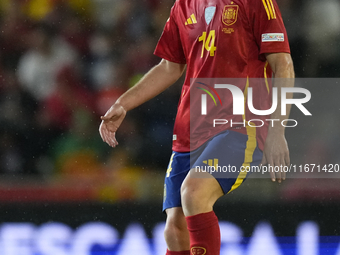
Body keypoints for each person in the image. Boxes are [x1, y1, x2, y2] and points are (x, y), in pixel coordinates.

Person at [99, 0, 294, 254]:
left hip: (240, 125)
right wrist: (123, 103)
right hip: (191, 128)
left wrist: (278, 130)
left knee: (194, 192)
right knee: (174, 228)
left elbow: (283, 63)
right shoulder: (184, 5)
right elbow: (170, 66)